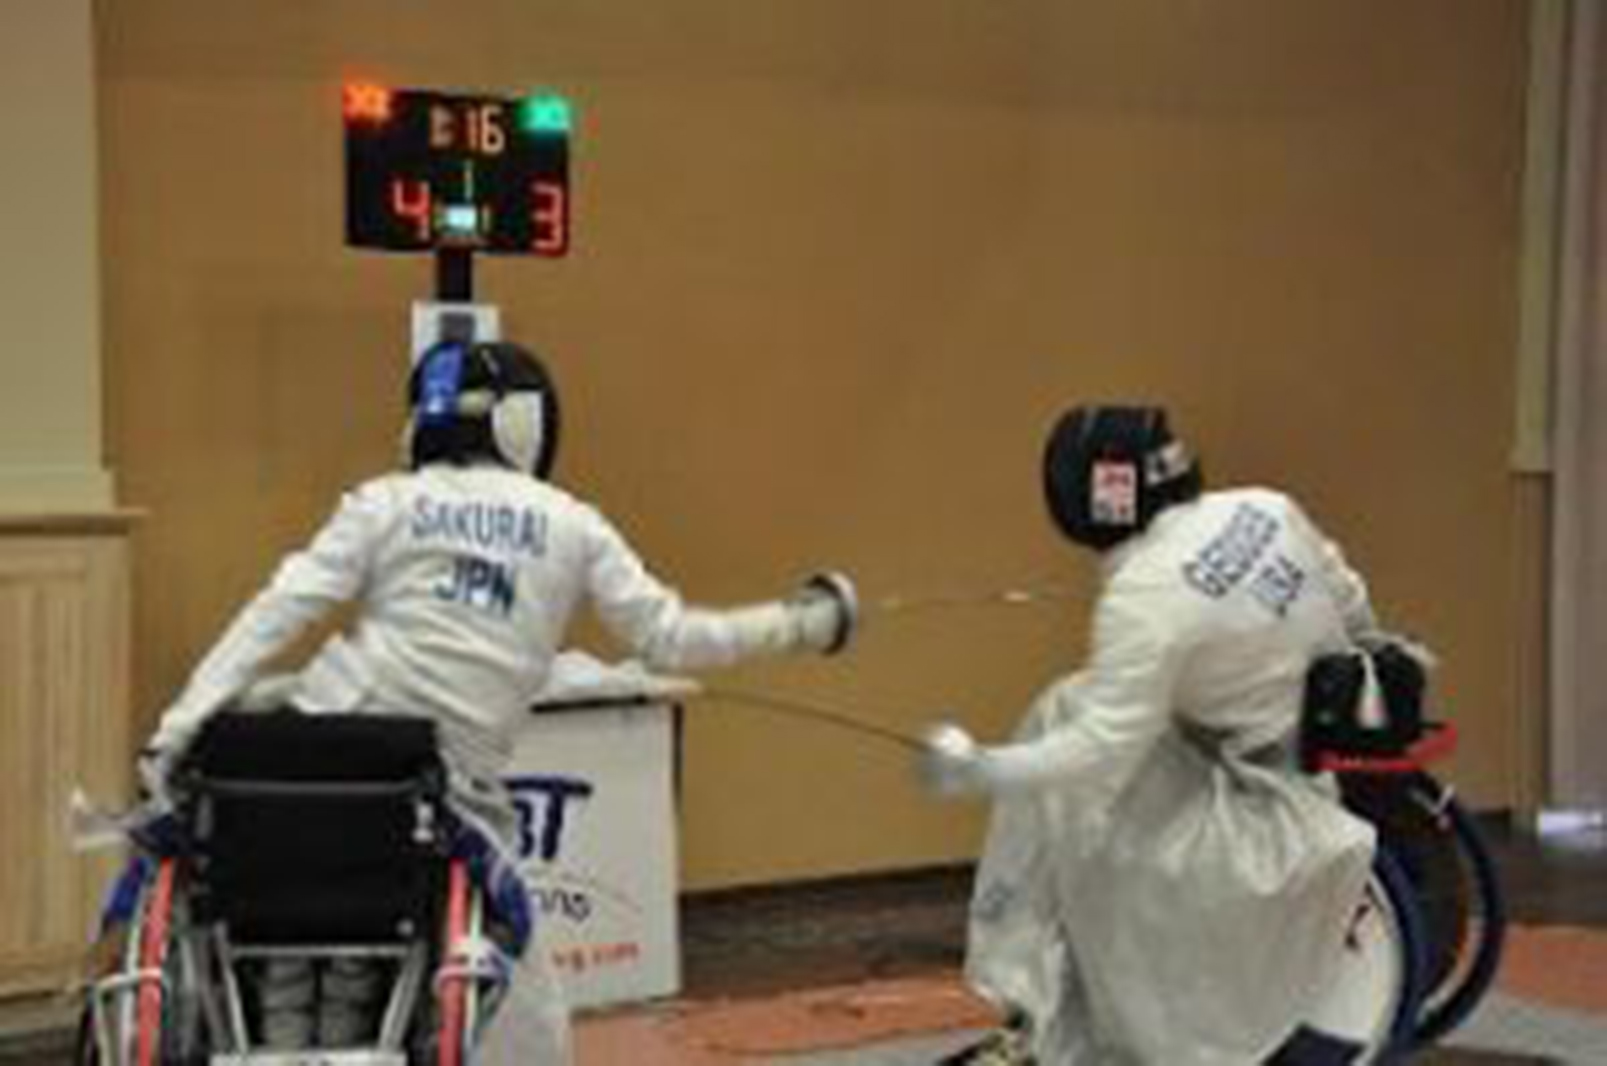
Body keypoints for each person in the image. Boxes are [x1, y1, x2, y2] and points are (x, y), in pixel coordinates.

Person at [136, 339, 859, 1062]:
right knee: (533, 1023)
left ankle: (282, 1013)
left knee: (266, 759)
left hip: (292, 777)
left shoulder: (385, 502)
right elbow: (670, 636)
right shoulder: (571, 523)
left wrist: (179, 728)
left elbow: (279, 609)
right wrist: (799, 623)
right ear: (527, 424)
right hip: (438, 801)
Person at [920, 404, 1392, 1065]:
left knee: (1066, 776)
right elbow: (1353, 608)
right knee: (1067, 706)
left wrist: (981, 768)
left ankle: (1034, 1010)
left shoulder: (1143, 594)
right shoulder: (1266, 506)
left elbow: (1098, 750)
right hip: (1328, 754)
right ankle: (1038, 1006)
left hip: (1260, 813)